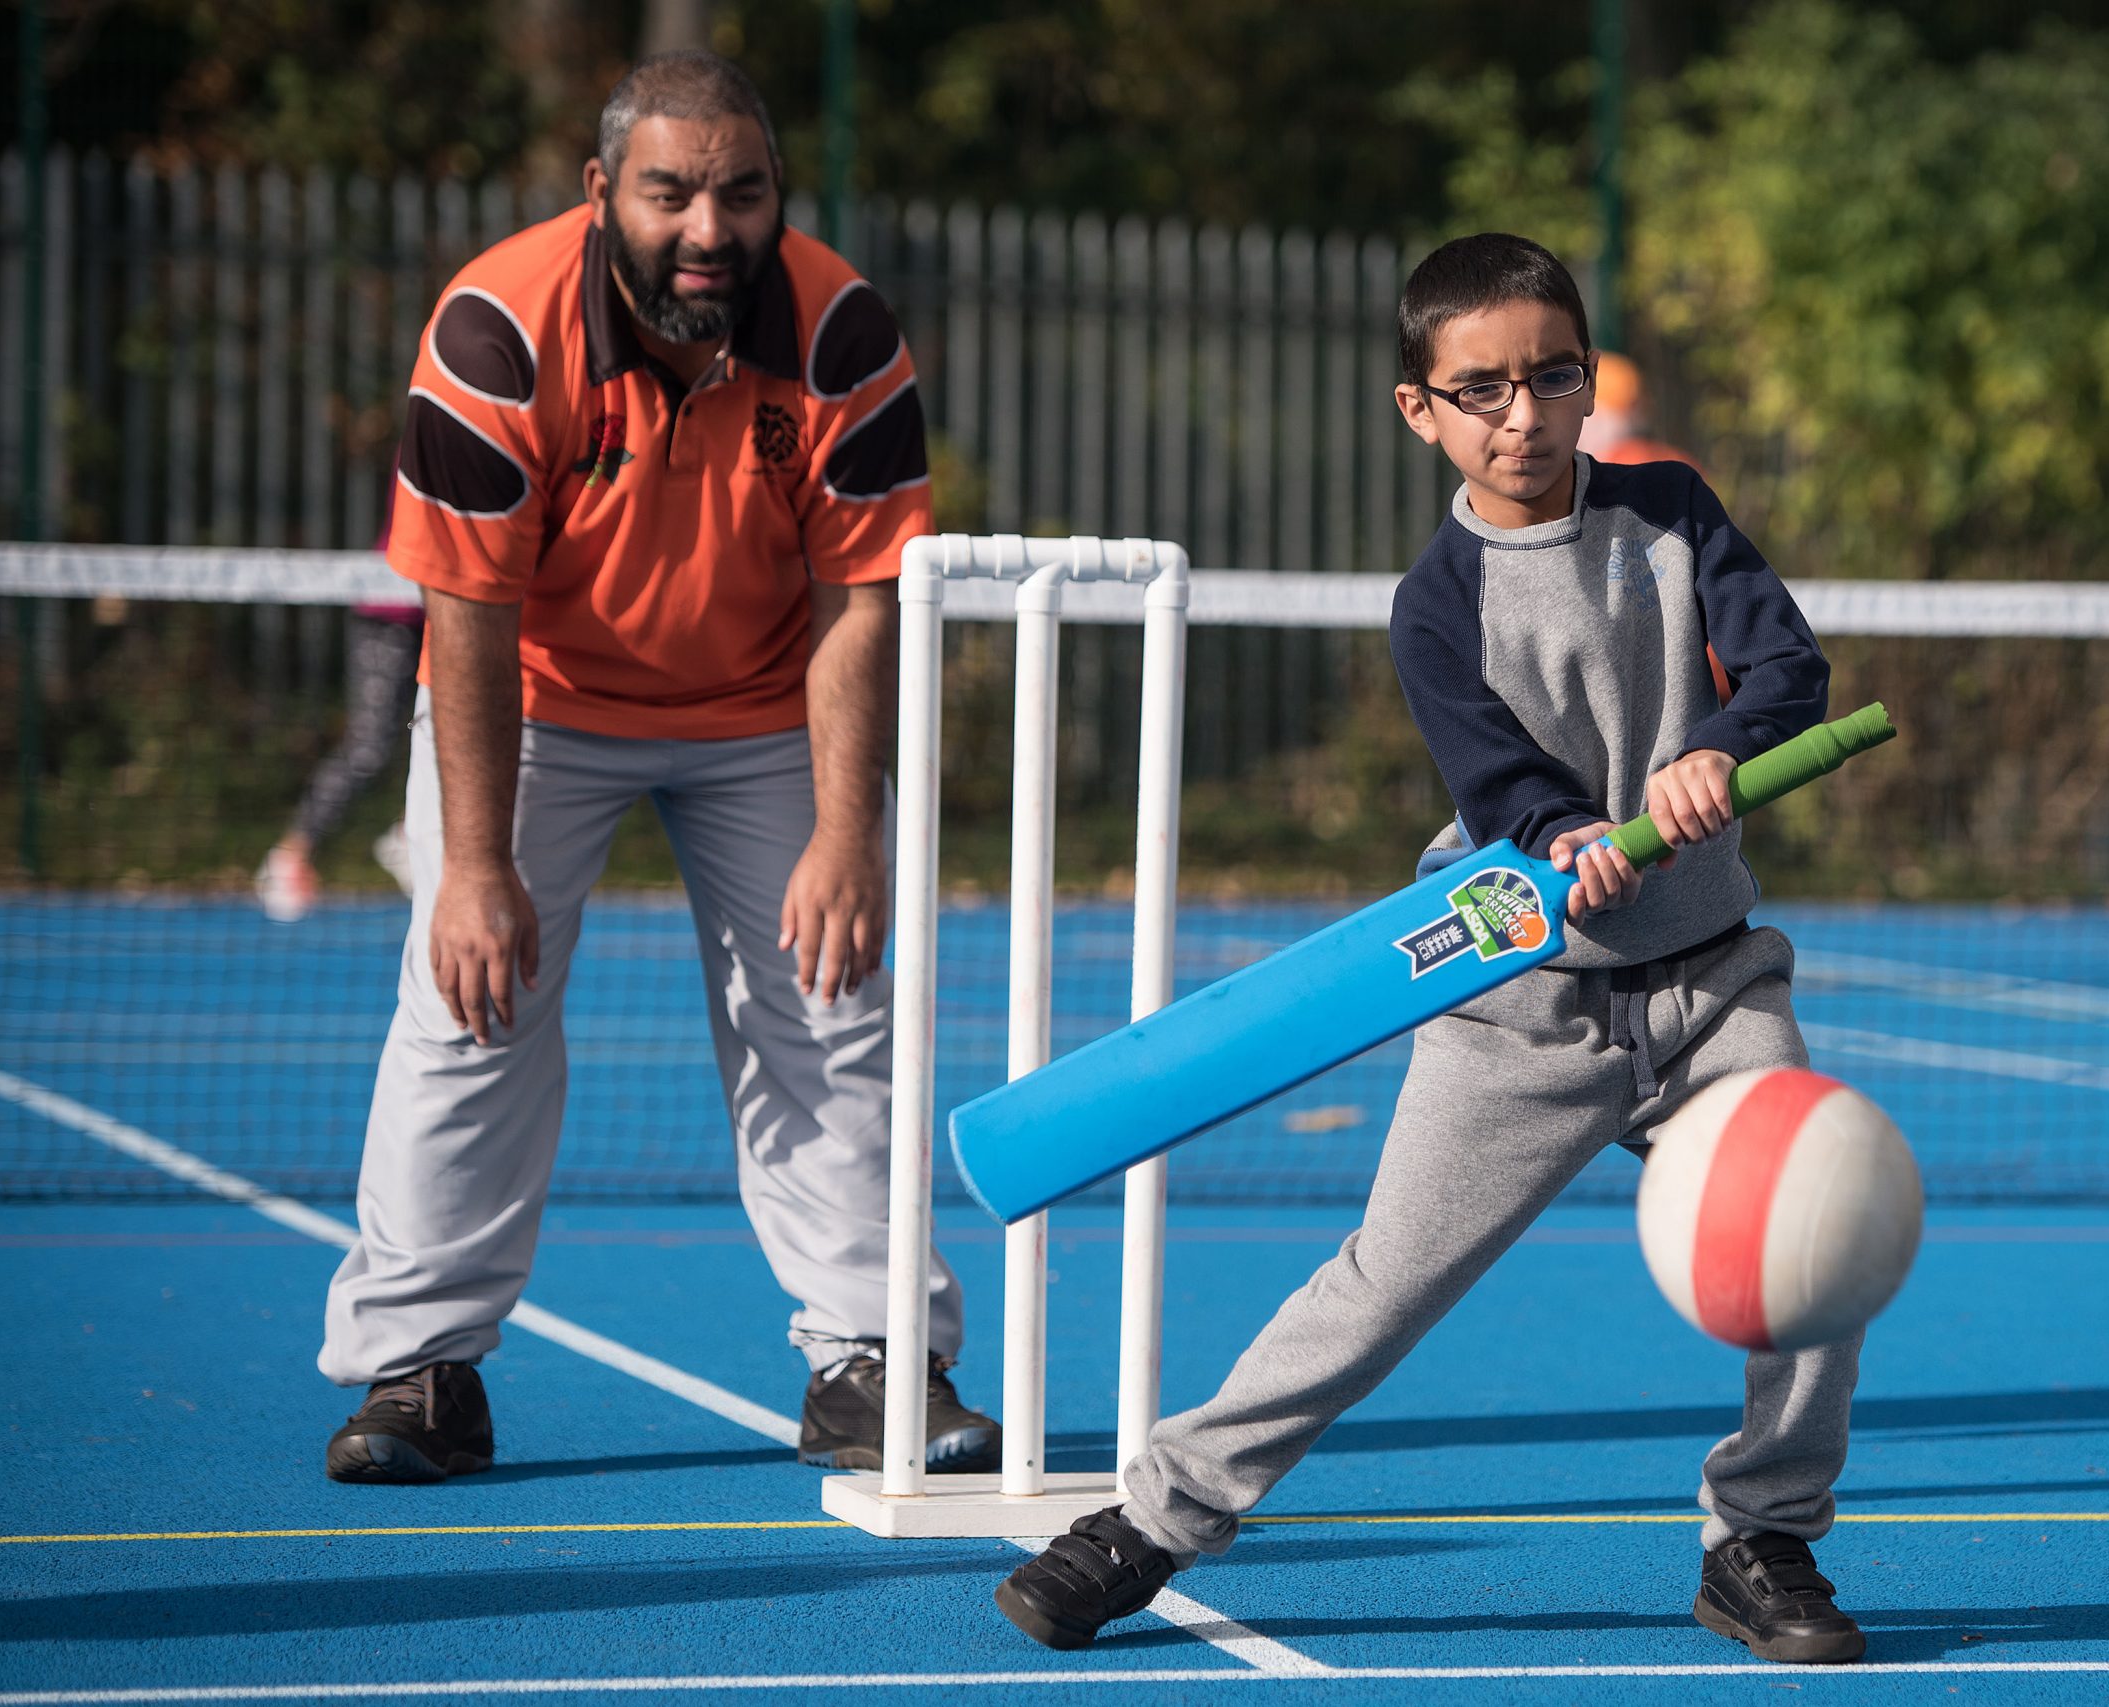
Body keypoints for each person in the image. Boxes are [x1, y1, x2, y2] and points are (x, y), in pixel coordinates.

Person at [991, 234, 1869, 1665]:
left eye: (1551, 376)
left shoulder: (1674, 514)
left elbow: (1785, 673)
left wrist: (1716, 750)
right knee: (1382, 1284)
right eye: (1483, 390)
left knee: (1813, 1239)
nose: (1521, 413)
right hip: (1517, 998)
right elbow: (1499, 786)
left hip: (1713, 982)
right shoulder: (1435, 603)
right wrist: (1564, 833)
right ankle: (1151, 1518)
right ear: (1422, 410)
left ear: (1589, 382)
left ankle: (1762, 1534)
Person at [317, 51, 997, 1484]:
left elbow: (864, 593)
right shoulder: (497, 332)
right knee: (469, 1008)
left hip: (764, 704)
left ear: (774, 197)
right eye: (672, 191)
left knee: (838, 998)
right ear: (601, 194)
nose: (709, 227)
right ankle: (421, 1365)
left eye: (741, 192)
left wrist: (844, 830)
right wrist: (480, 866)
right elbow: (468, 610)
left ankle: (872, 1356)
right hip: (540, 702)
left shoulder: (843, 329)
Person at [257, 496, 423, 923]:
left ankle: (408, 833)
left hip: (447, 613)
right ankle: (291, 854)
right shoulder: (440, 438)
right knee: (369, 748)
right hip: (393, 610)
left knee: (452, 735)